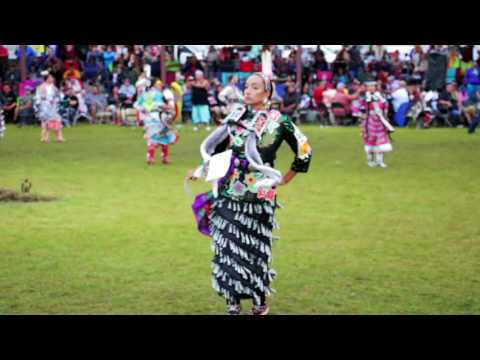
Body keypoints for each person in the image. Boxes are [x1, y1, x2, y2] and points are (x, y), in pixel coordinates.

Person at [187, 73, 312, 315]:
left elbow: (304, 149)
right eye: (246, 87)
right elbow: (219, 151)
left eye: (255, 87)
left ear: (267, 93)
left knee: (256, 250)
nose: (247, 91)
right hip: (228, 193)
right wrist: (202, 169)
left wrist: (284, 178)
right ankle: (232, 302)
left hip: (260, 194)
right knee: (227, 248)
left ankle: (258, 301)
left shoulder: (279, 121)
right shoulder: (235, 116)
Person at [134, 80, 178, 165]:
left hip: (161, 118)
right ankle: (151, 157)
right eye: (158, 84)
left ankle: (164, 157)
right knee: (154, 137)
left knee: (165, 136)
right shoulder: (149, 94)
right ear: (153, 85)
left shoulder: (161, 94)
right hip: (153, 118)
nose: (160, 86)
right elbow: (142, 106)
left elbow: (168, 106)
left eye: (160, 84)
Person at [352, 81, 393, 168]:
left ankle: (380, 161)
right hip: (369, 123)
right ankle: (370, 161)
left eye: (373, 86)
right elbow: (355, 107)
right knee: (370, 142)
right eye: (369, 87)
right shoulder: (364, 98)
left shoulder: (381, 97)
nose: (371, 88)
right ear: (366, 88)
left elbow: (386, 105)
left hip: (380, 122)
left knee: (381, 142)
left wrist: (385, 115)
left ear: (375, 87)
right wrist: (361, 115)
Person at [34, 72, 65, 143]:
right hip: (45, 107)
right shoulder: (41, 87)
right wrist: (39, 107)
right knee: (46, 123)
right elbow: (38, 98)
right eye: (51, 77)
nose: (53, 79)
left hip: (53, 107)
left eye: (52, 77)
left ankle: (59, 137)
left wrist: (58, 98)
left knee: (57, 121)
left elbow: (59, 96)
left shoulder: (53, 87)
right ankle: (45, 138)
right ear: (47, 79)